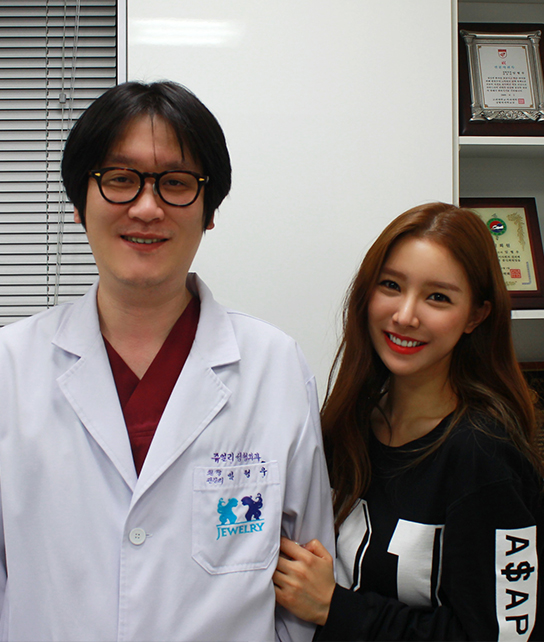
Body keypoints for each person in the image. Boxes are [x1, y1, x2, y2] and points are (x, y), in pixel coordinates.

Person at [0, 81, 334, 641]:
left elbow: (307, 581)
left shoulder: (274, 366)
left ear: (209, 211)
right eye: (120, 179)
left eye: (176, 183)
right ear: (80, 203)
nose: (147, 207)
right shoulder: (10, 366)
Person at [273, 202, 544, 641]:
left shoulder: (485, 456)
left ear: (476, 315)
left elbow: (501, 636)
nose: (405, 315)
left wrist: (337, 608)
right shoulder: (345, 423)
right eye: (391, 285)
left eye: (438, 297)